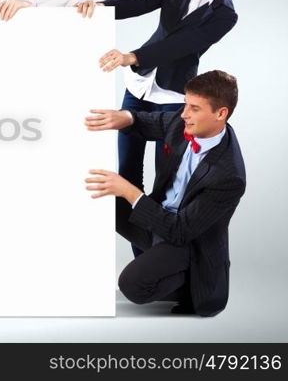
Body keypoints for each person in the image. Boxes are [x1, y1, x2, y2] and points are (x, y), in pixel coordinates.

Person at [76, 0, 238, 256]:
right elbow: (139, 2)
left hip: (175, 99)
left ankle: (156, 260)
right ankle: (144, 259)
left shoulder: (225, 16)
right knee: (127, 172)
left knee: (164, 183)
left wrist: (131, 56)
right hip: (138, 90)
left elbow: (182, 44)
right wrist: (97, 9)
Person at [84, 70, 245, 316]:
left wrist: (129, 191)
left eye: (194, 108)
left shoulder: (229, 176)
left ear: (220, 113)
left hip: (186, 243)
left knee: (132, 286)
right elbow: (153, 121)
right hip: (158, 223)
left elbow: (180, 231)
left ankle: (189, 283)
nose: (184, 114)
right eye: (185, 105)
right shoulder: (182, 124)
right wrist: (124, 117)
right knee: (96, 195)